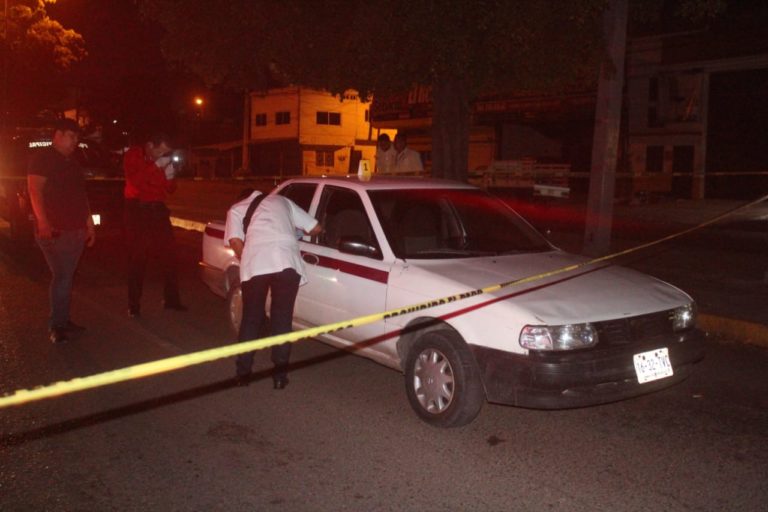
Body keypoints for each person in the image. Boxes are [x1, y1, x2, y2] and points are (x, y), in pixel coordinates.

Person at [224, 190, 322, 389]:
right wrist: (296, 232)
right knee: (282, 319)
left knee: (251, 318)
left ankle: (243, 374)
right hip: (287, 261)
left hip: (257, 261)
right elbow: (317, 228)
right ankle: (279, 376)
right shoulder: (284, 201)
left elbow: (235, 242)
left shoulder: (236, 209)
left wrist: (249, 258)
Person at [27, 118, 96, 344]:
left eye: (77, 138)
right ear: (57, 135)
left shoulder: (72, 163)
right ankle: (57, 325)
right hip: (56, 230)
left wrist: (89, 223)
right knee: (62, 277)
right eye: (71, 136)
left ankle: (63, 321)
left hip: (75, 230)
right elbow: (34, 190)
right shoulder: (43, 158)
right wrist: (43, 221)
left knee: (65, 277)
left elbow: (81, 195)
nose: (75, 142)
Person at [123, 132, 185, 317]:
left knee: (170, 254)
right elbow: (136, 182)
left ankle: (171, 300)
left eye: (167, 153)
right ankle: (133, 304)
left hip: (157, 208)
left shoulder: (162, 160)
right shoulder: (133, 155)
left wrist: (170, 176)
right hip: (137, 209)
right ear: (150, 145)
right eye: (161, 151)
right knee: (138, 257)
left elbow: (170, 190)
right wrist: (154, 166)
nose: (163, 156)